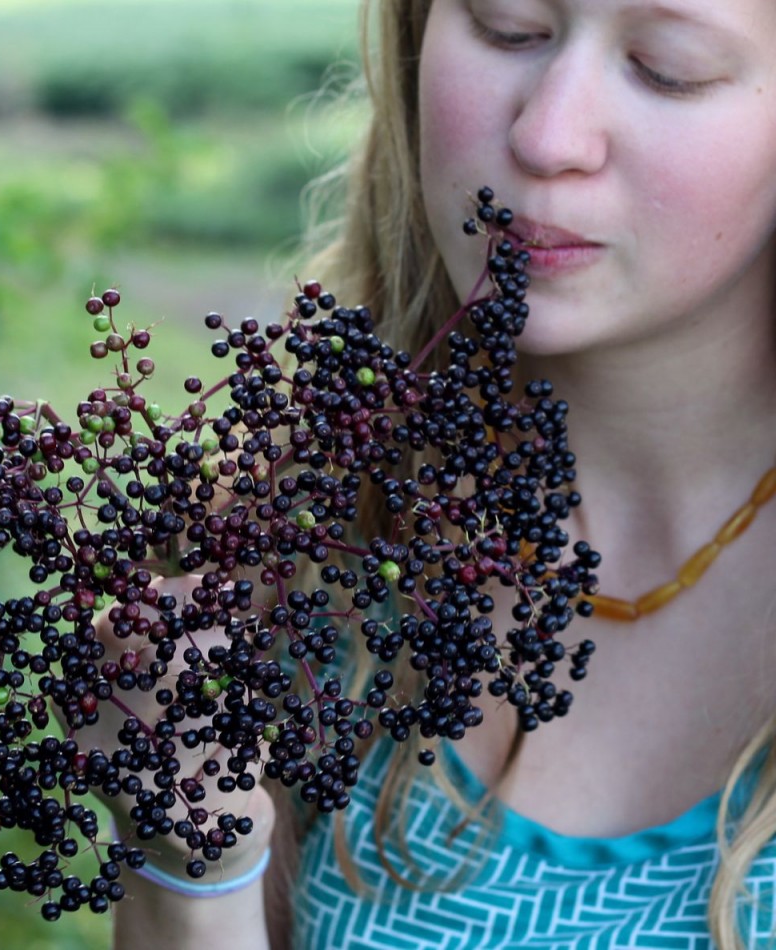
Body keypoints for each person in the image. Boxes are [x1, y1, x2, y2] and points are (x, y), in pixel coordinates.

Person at [98, 0, 776, 946]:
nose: (547, 136)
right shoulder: (308, 539)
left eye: (669, 67)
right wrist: (194, 872)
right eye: (508, 28)